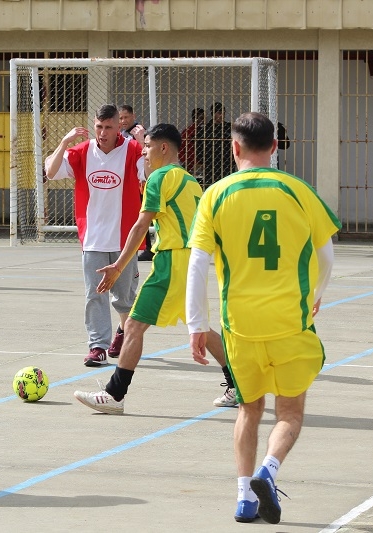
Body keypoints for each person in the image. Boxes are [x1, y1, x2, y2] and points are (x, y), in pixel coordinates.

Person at [186, 112, 341, 524]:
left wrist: (196, 324)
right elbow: (327, 254)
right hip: (290, 319)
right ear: (274, 146)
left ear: (234, 147)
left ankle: (244, 498)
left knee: (248, 410)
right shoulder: (297, 190)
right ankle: (268, 472)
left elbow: (197, 264)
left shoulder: (215, 194)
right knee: (289, 412)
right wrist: (316, 296)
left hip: (240, 326)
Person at [73, 123, 238, 415]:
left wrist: (119, 265)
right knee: (200, 326)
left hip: (172, 261)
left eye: (147, 146)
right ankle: (239, 384)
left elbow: (141, 224)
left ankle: (114, 394)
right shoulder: (189, 180)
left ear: (163, 148)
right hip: (192, 260)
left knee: (134, 325)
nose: (144, 152)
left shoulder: (160, 177)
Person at [45, 104, 146, 366]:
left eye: (108, 127)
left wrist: (142, 142)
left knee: (124, 299)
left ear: (118, 127)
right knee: (94, 294)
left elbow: (150, 176)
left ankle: (123, 331)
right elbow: (51, 172)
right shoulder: (81, 151)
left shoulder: (133, 149)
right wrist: (64, 142)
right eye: (98, 127)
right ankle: (97, 346)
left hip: (125, 238)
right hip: (93, 239)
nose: (102, 133)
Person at [119, 104, 154, 261]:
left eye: (126, 117)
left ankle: (147, 247)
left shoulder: (139, 133)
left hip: (140, 179)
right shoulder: (121, 133)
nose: (124, 120)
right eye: (120, 118)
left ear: (133, 116)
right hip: (129, 180)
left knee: (143, 214)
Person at [198, 102, 234, 186]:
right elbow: (199, 147)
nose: (222, 115)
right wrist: (204, 161)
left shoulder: (228, 127)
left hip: (227, 163)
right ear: (213, 113)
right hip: (211, 164)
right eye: (219, 113)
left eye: (223, 113)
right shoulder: (206, 129)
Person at [179, 107, 205, 176]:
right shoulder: (188, 132)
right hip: (191, 165)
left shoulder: (206, 131)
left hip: (203, 164)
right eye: (201, 118)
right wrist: (187, 162)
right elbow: (180, 150)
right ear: (194, 119)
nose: (203, 121)